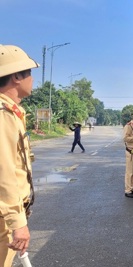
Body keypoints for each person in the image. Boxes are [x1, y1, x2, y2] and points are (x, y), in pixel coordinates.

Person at [0, 44, 39, 267]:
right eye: (29, 73)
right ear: (16, 76)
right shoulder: (3, 115)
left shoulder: (12, 112)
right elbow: (4, 174)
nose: (32, 80)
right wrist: (17, 223)